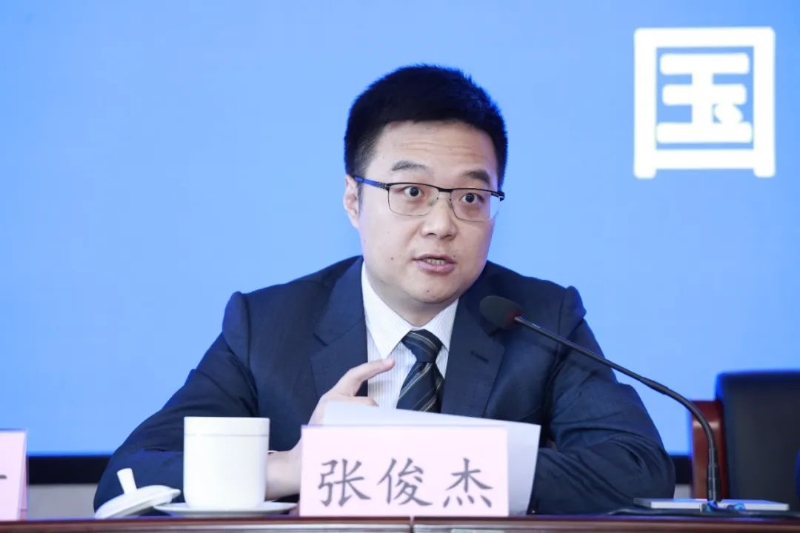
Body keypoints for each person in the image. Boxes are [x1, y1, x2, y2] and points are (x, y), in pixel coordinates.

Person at [94, 64, 675, 514]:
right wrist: (294, 467)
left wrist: (391, 460)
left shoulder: (541, 318)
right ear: (354, 200)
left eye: (471, 197)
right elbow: (129, 475)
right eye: (412, 192)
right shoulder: (266, 326)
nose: (442, 224)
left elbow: (638, 468)